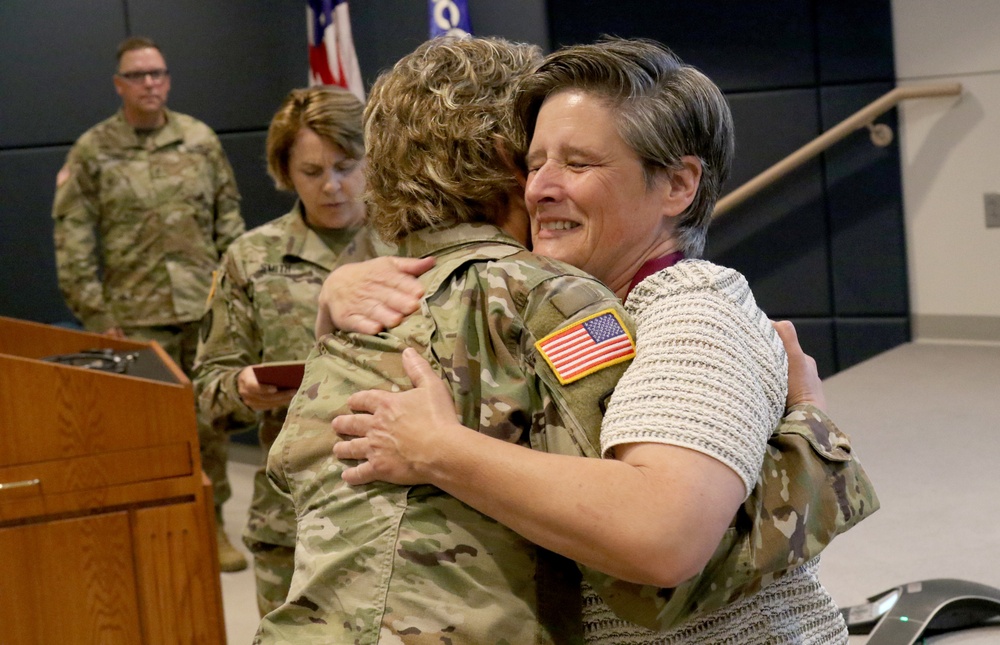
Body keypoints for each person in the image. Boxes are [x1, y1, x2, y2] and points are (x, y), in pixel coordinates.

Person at [329, 38, 849, 643]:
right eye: (533, 163)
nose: (540, 188)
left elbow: (662, 535)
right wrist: (336, 291)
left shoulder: (695, 313)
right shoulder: (559, 309)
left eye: (578, 164)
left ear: (678, 186)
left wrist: (439, 450)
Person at [255, 36, 638, 644]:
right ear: (508, 157)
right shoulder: (548, 300)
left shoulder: (362, 312)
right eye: (542, 151)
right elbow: (645, 558)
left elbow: (287, 523)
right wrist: (809, 441)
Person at [51, 36, 246, 569]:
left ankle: (213, 523)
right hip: (134, 317)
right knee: (144, 430)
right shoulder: (94, 151)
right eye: (137, 75)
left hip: (203, 310)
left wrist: (233, 298)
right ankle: (157, 529)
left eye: (157, 73)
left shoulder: (199, 140)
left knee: (210, 424)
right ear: (119, 85)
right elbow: (72, 237)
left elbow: (229, 223)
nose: (149, 83)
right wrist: (96, 315)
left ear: (168, 78)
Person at [192, 86, 384, 610]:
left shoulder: (414, 243)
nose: (333, 186)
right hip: (293, 515)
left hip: (402, 512)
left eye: (347, 166)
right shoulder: (252, 259)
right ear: (285, 172)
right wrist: (242, 388)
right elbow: (206, 391)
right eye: (312, 171)